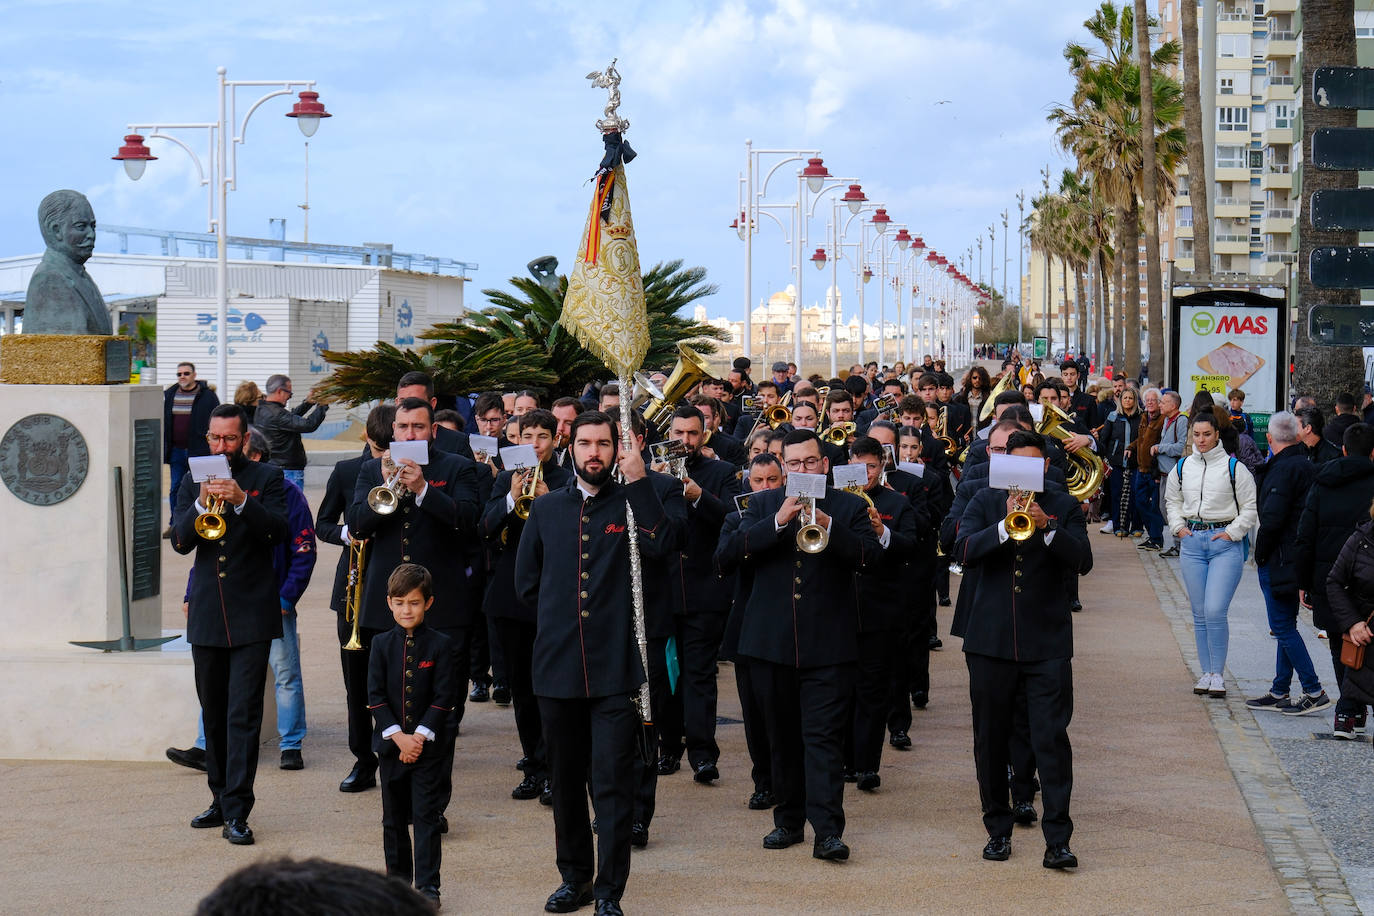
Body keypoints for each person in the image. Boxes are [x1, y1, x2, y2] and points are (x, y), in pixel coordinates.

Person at [515, 411, 672, 915]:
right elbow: (526, 585)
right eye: (585, 443)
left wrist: (641, 480)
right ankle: (575, 879)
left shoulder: (633, 501)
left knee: (611, 786)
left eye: (603, 444)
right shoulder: (547, 509)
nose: (594, 453)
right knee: (563, 785)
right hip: (557, 669)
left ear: (616, 448)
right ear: (571, 446)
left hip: (614, 671)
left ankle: (609, 891)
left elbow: (665, 544)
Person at [718, 429, 881, 862]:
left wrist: (828, 523)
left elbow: (871, 558)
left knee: (824, 739)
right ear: (783, 466)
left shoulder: (849, 506)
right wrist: (777, 523)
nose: (803, 470)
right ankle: (788, 822)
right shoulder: (763, 504)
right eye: (794, 464)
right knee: (782, 738)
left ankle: (828, 831)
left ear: (825, 466)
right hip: (770, 644)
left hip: (829, 645)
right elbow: (727, 555)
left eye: (811, 462)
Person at [954, 430, 1091, 869]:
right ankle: (997, 829)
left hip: (1047, 641)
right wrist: (1002, 524)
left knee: (1051, 739)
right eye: (1015, 466)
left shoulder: (1064, 505)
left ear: (1045, 468)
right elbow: (961, 550)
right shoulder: (983, 502)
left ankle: (1058, 840)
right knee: (989, 740)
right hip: (990, 642)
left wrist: (1046, 524)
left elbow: (1082, 561)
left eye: (1033, 466)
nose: (1023, 476)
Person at [348, 398, 480, 832]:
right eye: (402, 427)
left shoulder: (457, 467)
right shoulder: (372, 469)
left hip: (443, 607)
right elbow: (356, 526)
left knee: (440, 708)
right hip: (386, 607)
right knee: (387, 701)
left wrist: (424, 490)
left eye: (418, 426)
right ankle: (395, 800)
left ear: (432, 430)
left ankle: (433, 804)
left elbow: (469, 522)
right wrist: (385, 487)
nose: (409, 434)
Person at [171, 404, 289, 846]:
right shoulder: (189, 480)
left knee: (243, 716)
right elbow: (181, 541)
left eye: (230, 439)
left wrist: (241, 502)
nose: (221, 447)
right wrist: (202, 503)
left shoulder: (267, 479)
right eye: (215, 439)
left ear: (245, 440)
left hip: (252, 616)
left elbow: (278, 532)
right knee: (215, 713)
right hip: (206, 615)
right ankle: (218, 797)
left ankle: (238, 810)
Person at [479, 409, 573, 805]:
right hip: (510, 595)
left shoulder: (568, 480)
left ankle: (557, 769)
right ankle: (534, 766)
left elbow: (575, 538)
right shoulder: (505, 477)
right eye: (526, 436)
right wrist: (509, 498)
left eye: (541, 437)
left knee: (552, 689)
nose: (533, 444)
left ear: (555, 440)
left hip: (554, 597)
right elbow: (482, 527)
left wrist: (551, 503)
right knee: (521, 688)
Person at [654, 406, 740, 783]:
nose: (684, 441)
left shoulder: (722, 473)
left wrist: (699, 495)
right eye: (678, 433)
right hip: (661, 592)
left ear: (705, 434)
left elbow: (733, 520)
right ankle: (668, 746)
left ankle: (703, 754)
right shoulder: (649, 473)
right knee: (662, 677)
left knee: (699, 676)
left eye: (692, 433)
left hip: (705, 591)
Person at [315, 403, 395, 794]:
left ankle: (396, 754)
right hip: (354, 585)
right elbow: (323, 523)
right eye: (380, 448)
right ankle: (363, 759)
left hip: (397, 588)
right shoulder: (348, 471)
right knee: (357, 684)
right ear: (368, 439)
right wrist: (347, 535)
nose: (385, 456)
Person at [368, 563, 455, 908]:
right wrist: (398, 738)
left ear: (428, 603)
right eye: (400, 602)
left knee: (426, 819)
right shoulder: (379, 644)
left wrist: (418, 737)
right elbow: (374, 696)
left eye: (415, 603)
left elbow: (445, 696)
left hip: (429, 751)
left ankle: (428, 888)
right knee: (393, 820)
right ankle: (397, 886)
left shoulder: (442, 645)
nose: (407, 610)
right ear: (389, 602)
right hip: (391, 749)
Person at [1164, 412, 1258, 699]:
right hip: (1192, 543)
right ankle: (1205, 672)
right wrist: (1179, 528)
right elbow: (1172, 501)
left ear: (1217, 434)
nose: (1201, 440)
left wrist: (1233, 532)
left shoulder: (1234, 468)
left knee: (1216, 610)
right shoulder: (1181, 468)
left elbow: (1250, 507)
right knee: (1200, 612)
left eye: (1206, 434)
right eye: (1196, 435)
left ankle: (1218, 674)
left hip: (1224, 544)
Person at [1244, 412, 1332, 716]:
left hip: (1281, 557)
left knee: (1282, 626)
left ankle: (1313, 689)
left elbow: (1271, 519)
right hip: (1295, 555)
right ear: (1298, 435)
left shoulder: (1283, 469)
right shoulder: (1304, 465)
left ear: (1269, 438)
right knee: (1286, 625)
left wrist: (1261, 554)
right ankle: (1281, 688)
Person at [844, 437, 917, 791]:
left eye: (870, 466)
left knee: (873, 692)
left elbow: (911, 547)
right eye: (857, 466)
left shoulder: (897, 504)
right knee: (842, 691)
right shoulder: (834, 502)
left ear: (882, 466)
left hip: (880, 610)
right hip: (839, 609)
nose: (864, 474)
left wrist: (880, 530)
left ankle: (867, 764)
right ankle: (845, 759)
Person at [1294, 423, 1374, 737]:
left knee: (1342, 646)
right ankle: (1353, 707)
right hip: (1367, 575)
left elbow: (1305, 534)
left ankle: (1350, 708)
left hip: (1329, 576)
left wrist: (1304, 580)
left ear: (1342, 449)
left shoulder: (1323, 480)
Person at [716, 453, 786, 810]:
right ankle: (764, 781)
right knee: (755, 713)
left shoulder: (796, 515)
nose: (764, 488)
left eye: (772, 480)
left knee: (783, 714)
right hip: (747, 628)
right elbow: (725, 558)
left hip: (787, 627)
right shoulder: (735, 518)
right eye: (757, 482)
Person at [22, 189, 111, 335]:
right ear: (56, 230)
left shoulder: (81, 276)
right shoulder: (50, 280)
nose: (91, 235)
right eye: (81, 227)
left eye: (93, 226)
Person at [1325, 501, 1374, 735]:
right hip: (1367, 642)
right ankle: (1346, 713)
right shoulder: (1362, 539)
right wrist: (1352, 623)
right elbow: (1334, 581)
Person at [164, 361, 220, 526]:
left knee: (201, 488)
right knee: (175, 488)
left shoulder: (207, 396)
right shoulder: (170, 394)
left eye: (186, 373)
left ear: (194, 375)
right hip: (176, 451)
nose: (182, 376)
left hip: (199, 451)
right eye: (179, 374)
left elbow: (215, 420)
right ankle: (176, 524)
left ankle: (202, 522)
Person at [256, 374, 329, 490]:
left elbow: (290, 418)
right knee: (293, 506)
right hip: (288, 471)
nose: (289, 397)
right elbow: (309, 425)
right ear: (280, 391)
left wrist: (308, 403)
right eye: (289, 393)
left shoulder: (263, 409)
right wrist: (323, 405)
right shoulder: (277, 414)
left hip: (275, 466)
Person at [1098, 388, 1143, 537]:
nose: (1128, 401)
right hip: (1116, 462)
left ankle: (1136, 526)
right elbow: (1104, 438)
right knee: (1117, 495)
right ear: (1120, 400)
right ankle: (1119, 526)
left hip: (1136, 462)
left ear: (1135, 400)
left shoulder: (1142, 417)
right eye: (1125, 398)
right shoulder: (1113, 416)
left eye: (1131, 398)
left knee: (1135, 495)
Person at [1152, 392, 1188, 557]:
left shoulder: (1181, 421)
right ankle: (1178, 542)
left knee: (1174, 509)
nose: (1160, 405)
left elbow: (1181, 447)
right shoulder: (1167, 420)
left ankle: (1180, 545)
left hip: (1175, 474)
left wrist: (1160, 448)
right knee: (1164, 508)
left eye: (1164, 402)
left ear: (1174, 405)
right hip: (1164, 472)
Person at [1131, 388, 1166, 551]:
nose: (1150, 403)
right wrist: (1130, 447)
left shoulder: (1163, 420)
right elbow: (1141, 439)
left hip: (1154, 471)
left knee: (1154, 506)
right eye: (1148, 400)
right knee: (1139, 503)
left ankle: (1157, 538)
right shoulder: (1144, 417)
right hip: (1141, 469)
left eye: (1153, 400)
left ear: (1159, 403)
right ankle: (1152, 535)